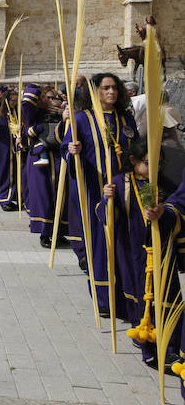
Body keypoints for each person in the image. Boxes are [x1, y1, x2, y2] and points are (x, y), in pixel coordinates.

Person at [99, 138, 182, 369]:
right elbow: (102, 216)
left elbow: (176, 213)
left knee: (167, 297)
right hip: (133, 253)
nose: (154, 168)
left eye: (158, 163)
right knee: (142, 299)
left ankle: (171, 349)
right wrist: (107, 199)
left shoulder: (164, 184)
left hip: (163, 253)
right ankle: (149, 350)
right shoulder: (119, 184)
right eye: (148, 162)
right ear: (133, 160)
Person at [63, 72, 138, 316]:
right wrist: (72, 149)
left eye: (115, 88)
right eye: (106, 88)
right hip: (96, 192)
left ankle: (128, 299)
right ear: (95, 92)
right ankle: (105, 300)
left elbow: (136, 149)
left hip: (124, 191)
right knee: (101, 244)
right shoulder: (82, 120)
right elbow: (67, 150)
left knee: (125, 245)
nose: (112, 92)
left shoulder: (126, 118)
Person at [24, 86, 65, 247]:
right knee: (45, 197)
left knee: (60, 197)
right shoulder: (34, 113)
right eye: (45, 97)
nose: (50, 100)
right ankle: (45, 233)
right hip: (41, 159)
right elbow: (26, 103)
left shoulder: (63, 113)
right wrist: (36, 91)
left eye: (52, 97)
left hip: (58, 157)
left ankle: (59, 232)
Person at [0, 90, 18, 211]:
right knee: (4, 173)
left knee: (13, 173)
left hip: (14, 149)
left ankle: (11, 197)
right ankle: (3, 199)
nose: (14, 103)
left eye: (16, 101)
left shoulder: (15, 113)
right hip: (2, 148)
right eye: (13, 100)